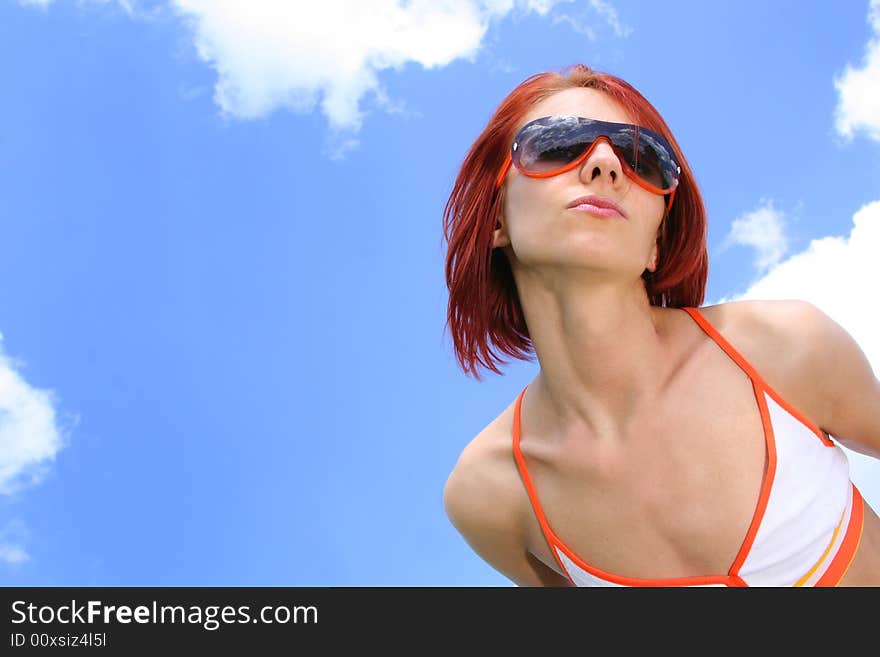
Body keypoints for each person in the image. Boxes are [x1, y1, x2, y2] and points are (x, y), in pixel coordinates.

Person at [441, 64, 880, 586]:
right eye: (557, 144)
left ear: (656, 242)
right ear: (495, 220)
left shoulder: (784, 346)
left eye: (643, 159)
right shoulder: (491, 495)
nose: (606, 163)